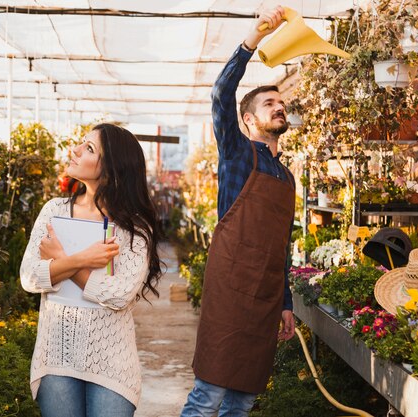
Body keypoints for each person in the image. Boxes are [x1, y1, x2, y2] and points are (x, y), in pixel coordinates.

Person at [181, 6, 296, 416]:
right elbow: (219, 93)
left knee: (244, 401)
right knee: (207, 395)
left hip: (265, 296)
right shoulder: (236, 152)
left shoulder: (287, 178)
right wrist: (252, 40)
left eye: (281, 103)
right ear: (248, 120)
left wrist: (285, 302)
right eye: (269, 103)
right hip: (230, 288)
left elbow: (282, 247)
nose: (278, 108)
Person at [20, 123, 163, 417]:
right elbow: (30, 277)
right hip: (56, 355)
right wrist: (83, 259)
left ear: (111, 169)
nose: (74, 150)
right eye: (81, 143)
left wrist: (60, 262)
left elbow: (121, 294)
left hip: (111, 364)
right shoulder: (54, 210)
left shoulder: (134, 227)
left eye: (89, 148)